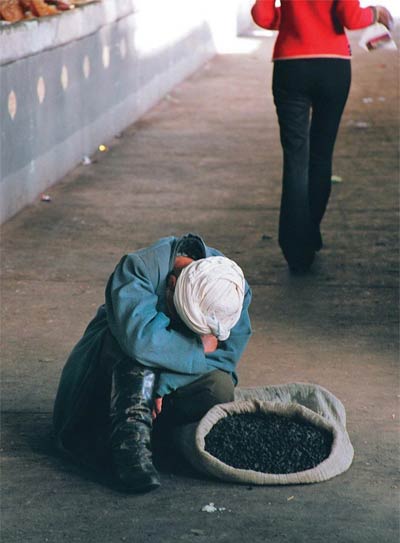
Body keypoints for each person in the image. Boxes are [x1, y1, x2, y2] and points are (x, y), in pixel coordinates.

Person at [53, 234, 252, 493]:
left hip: (163, 380)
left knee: (219, 387)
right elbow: (139, 342)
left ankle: (158, 437)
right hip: (108, 370)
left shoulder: (231, 288)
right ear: (171, 284)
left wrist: (162, 385)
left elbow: (225, 358)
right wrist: (198, 346)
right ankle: (129, 448)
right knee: (133, 353)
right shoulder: (138, 269)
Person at [251, 0, 393, 272]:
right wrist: (377, 13)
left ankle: (295, 250)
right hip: (333, 66)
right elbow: (350, 16)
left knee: (295, 159)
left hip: (290, 66)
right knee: (321, 154)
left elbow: (262, 15)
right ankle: (309, 235)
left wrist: (295, 20)